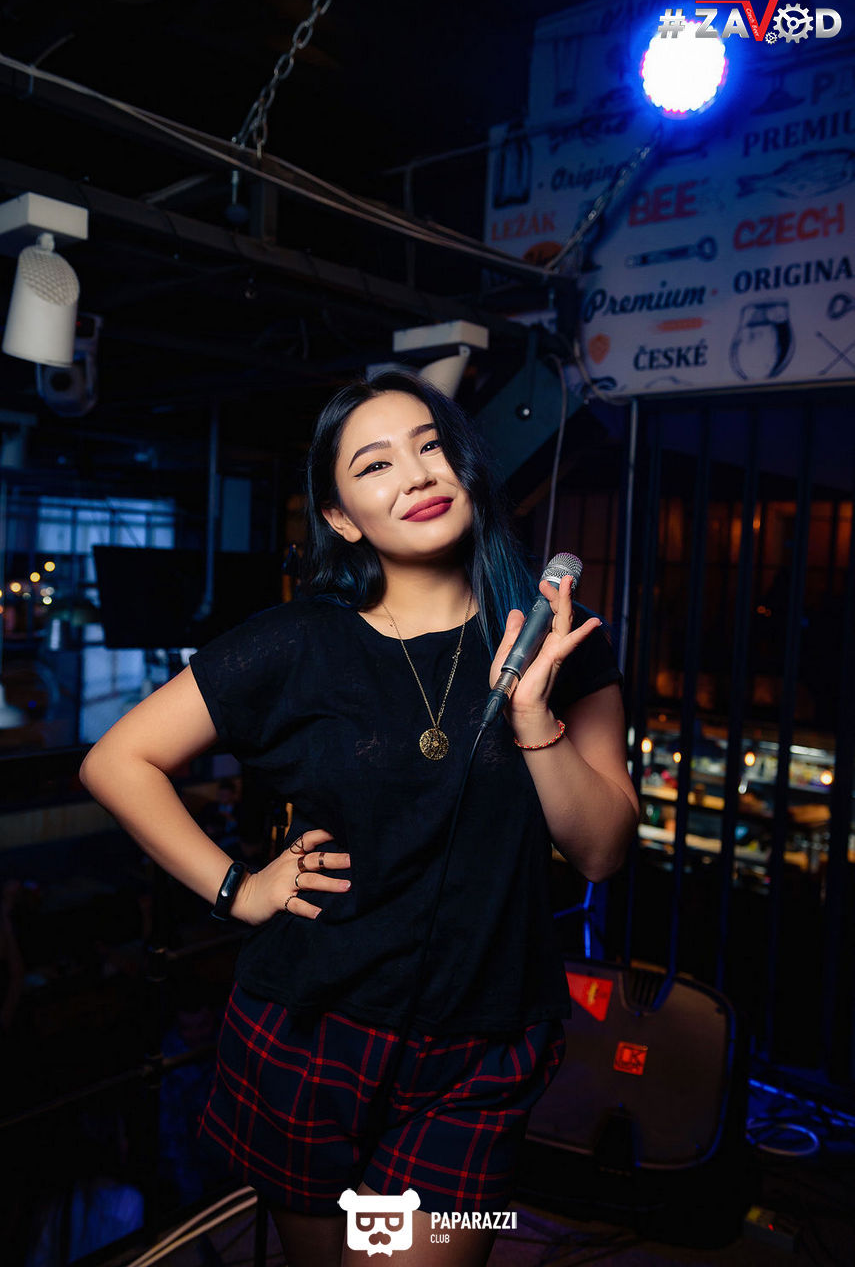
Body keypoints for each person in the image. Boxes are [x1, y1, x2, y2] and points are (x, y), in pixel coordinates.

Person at [79, 369, 638, 1267]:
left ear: (464, 466)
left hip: (479, 1044)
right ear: (341, 517)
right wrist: (235, 888)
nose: (415, 475)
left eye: (430, 446)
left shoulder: (556, 637)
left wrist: (535, 719)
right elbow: (116, 761)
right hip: (309, 1029)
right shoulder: (297, 641)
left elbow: (603, 852)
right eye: (375, 464)